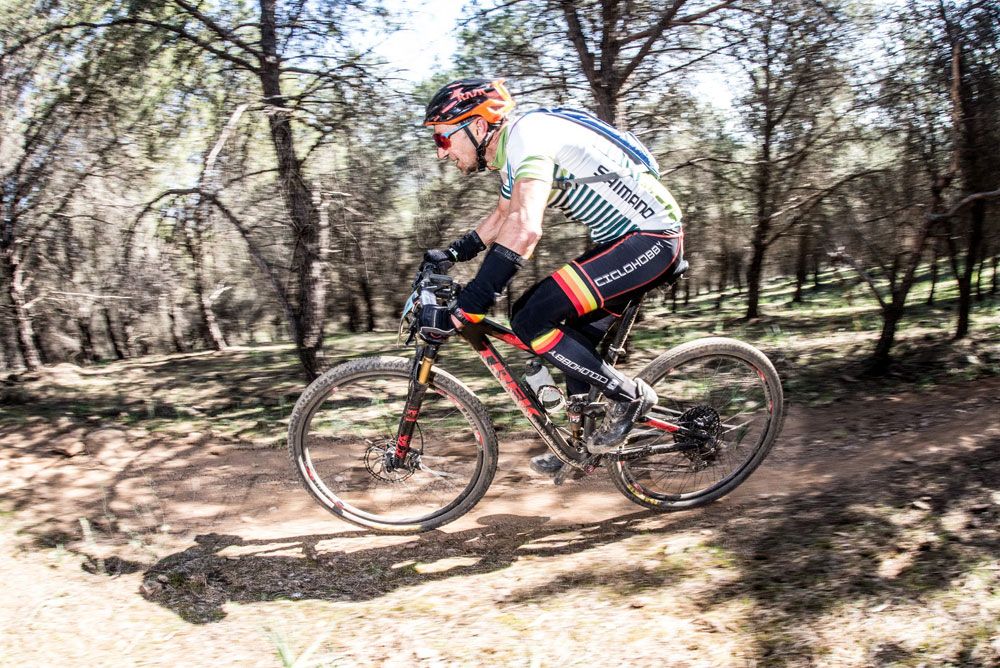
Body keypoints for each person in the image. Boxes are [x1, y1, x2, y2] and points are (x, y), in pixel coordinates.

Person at [422, 77, 685, 475]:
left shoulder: (528, 137)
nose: (442, 153)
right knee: (569, 338)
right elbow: (504, 215)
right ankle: (583, 448)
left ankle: (629, 397)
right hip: (626, 241)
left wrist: (475, 300)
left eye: (443, 139)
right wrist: (452, 254)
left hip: (651, 239)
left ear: (476, 125)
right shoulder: (514, 149)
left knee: (531, 318)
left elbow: (525, 228)